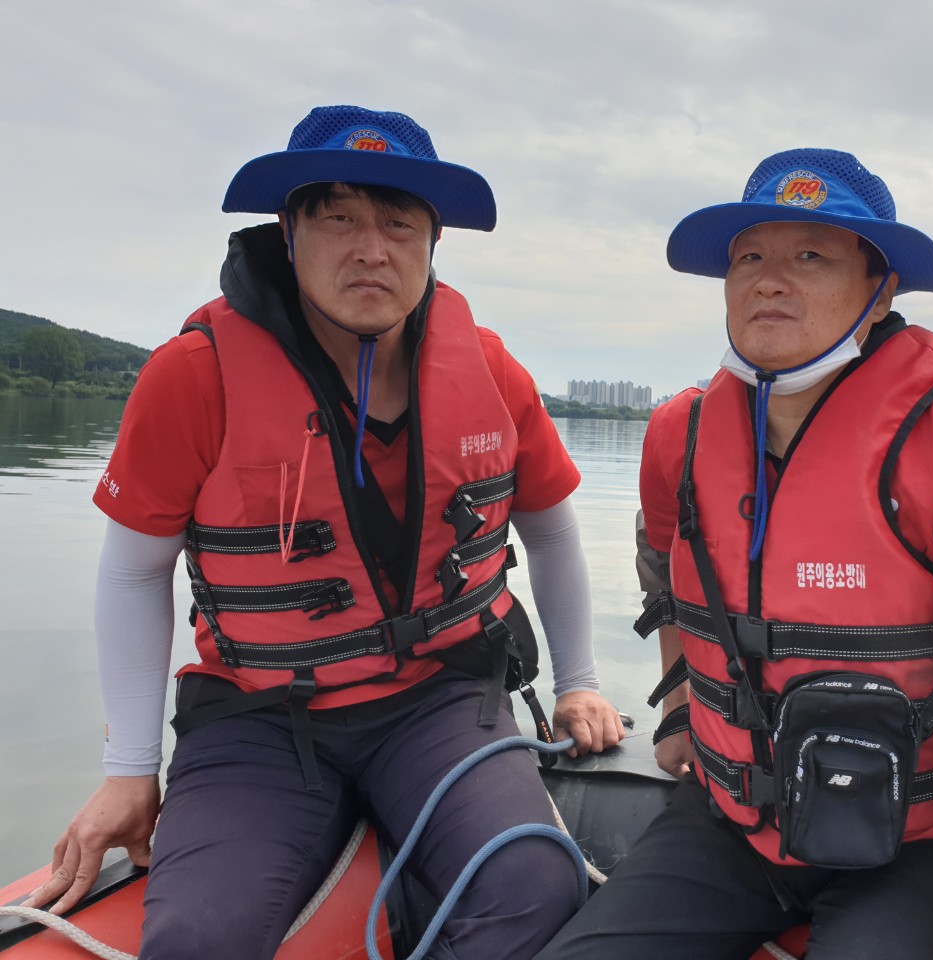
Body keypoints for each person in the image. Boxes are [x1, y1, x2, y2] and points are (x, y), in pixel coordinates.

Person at [24, 104, 625, 960]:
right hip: (259, 718)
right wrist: (129, 770)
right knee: (196, 939)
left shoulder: (490, 369)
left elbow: (554, 534)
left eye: (398, 223)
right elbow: (132, 572)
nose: (371, 249)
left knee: (535, 884)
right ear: (289, 232)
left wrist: (581, 683)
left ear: (433, 243)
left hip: (442, 698)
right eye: (338, 218)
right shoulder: (193, 374)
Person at [535, 149, 933, 959]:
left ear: (881, 291)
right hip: (727, 825)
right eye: (749, 258)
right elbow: (664, 573)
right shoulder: (677, 436)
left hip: (911, 848)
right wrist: (681, 708)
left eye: (810, 256)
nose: (770, 281)